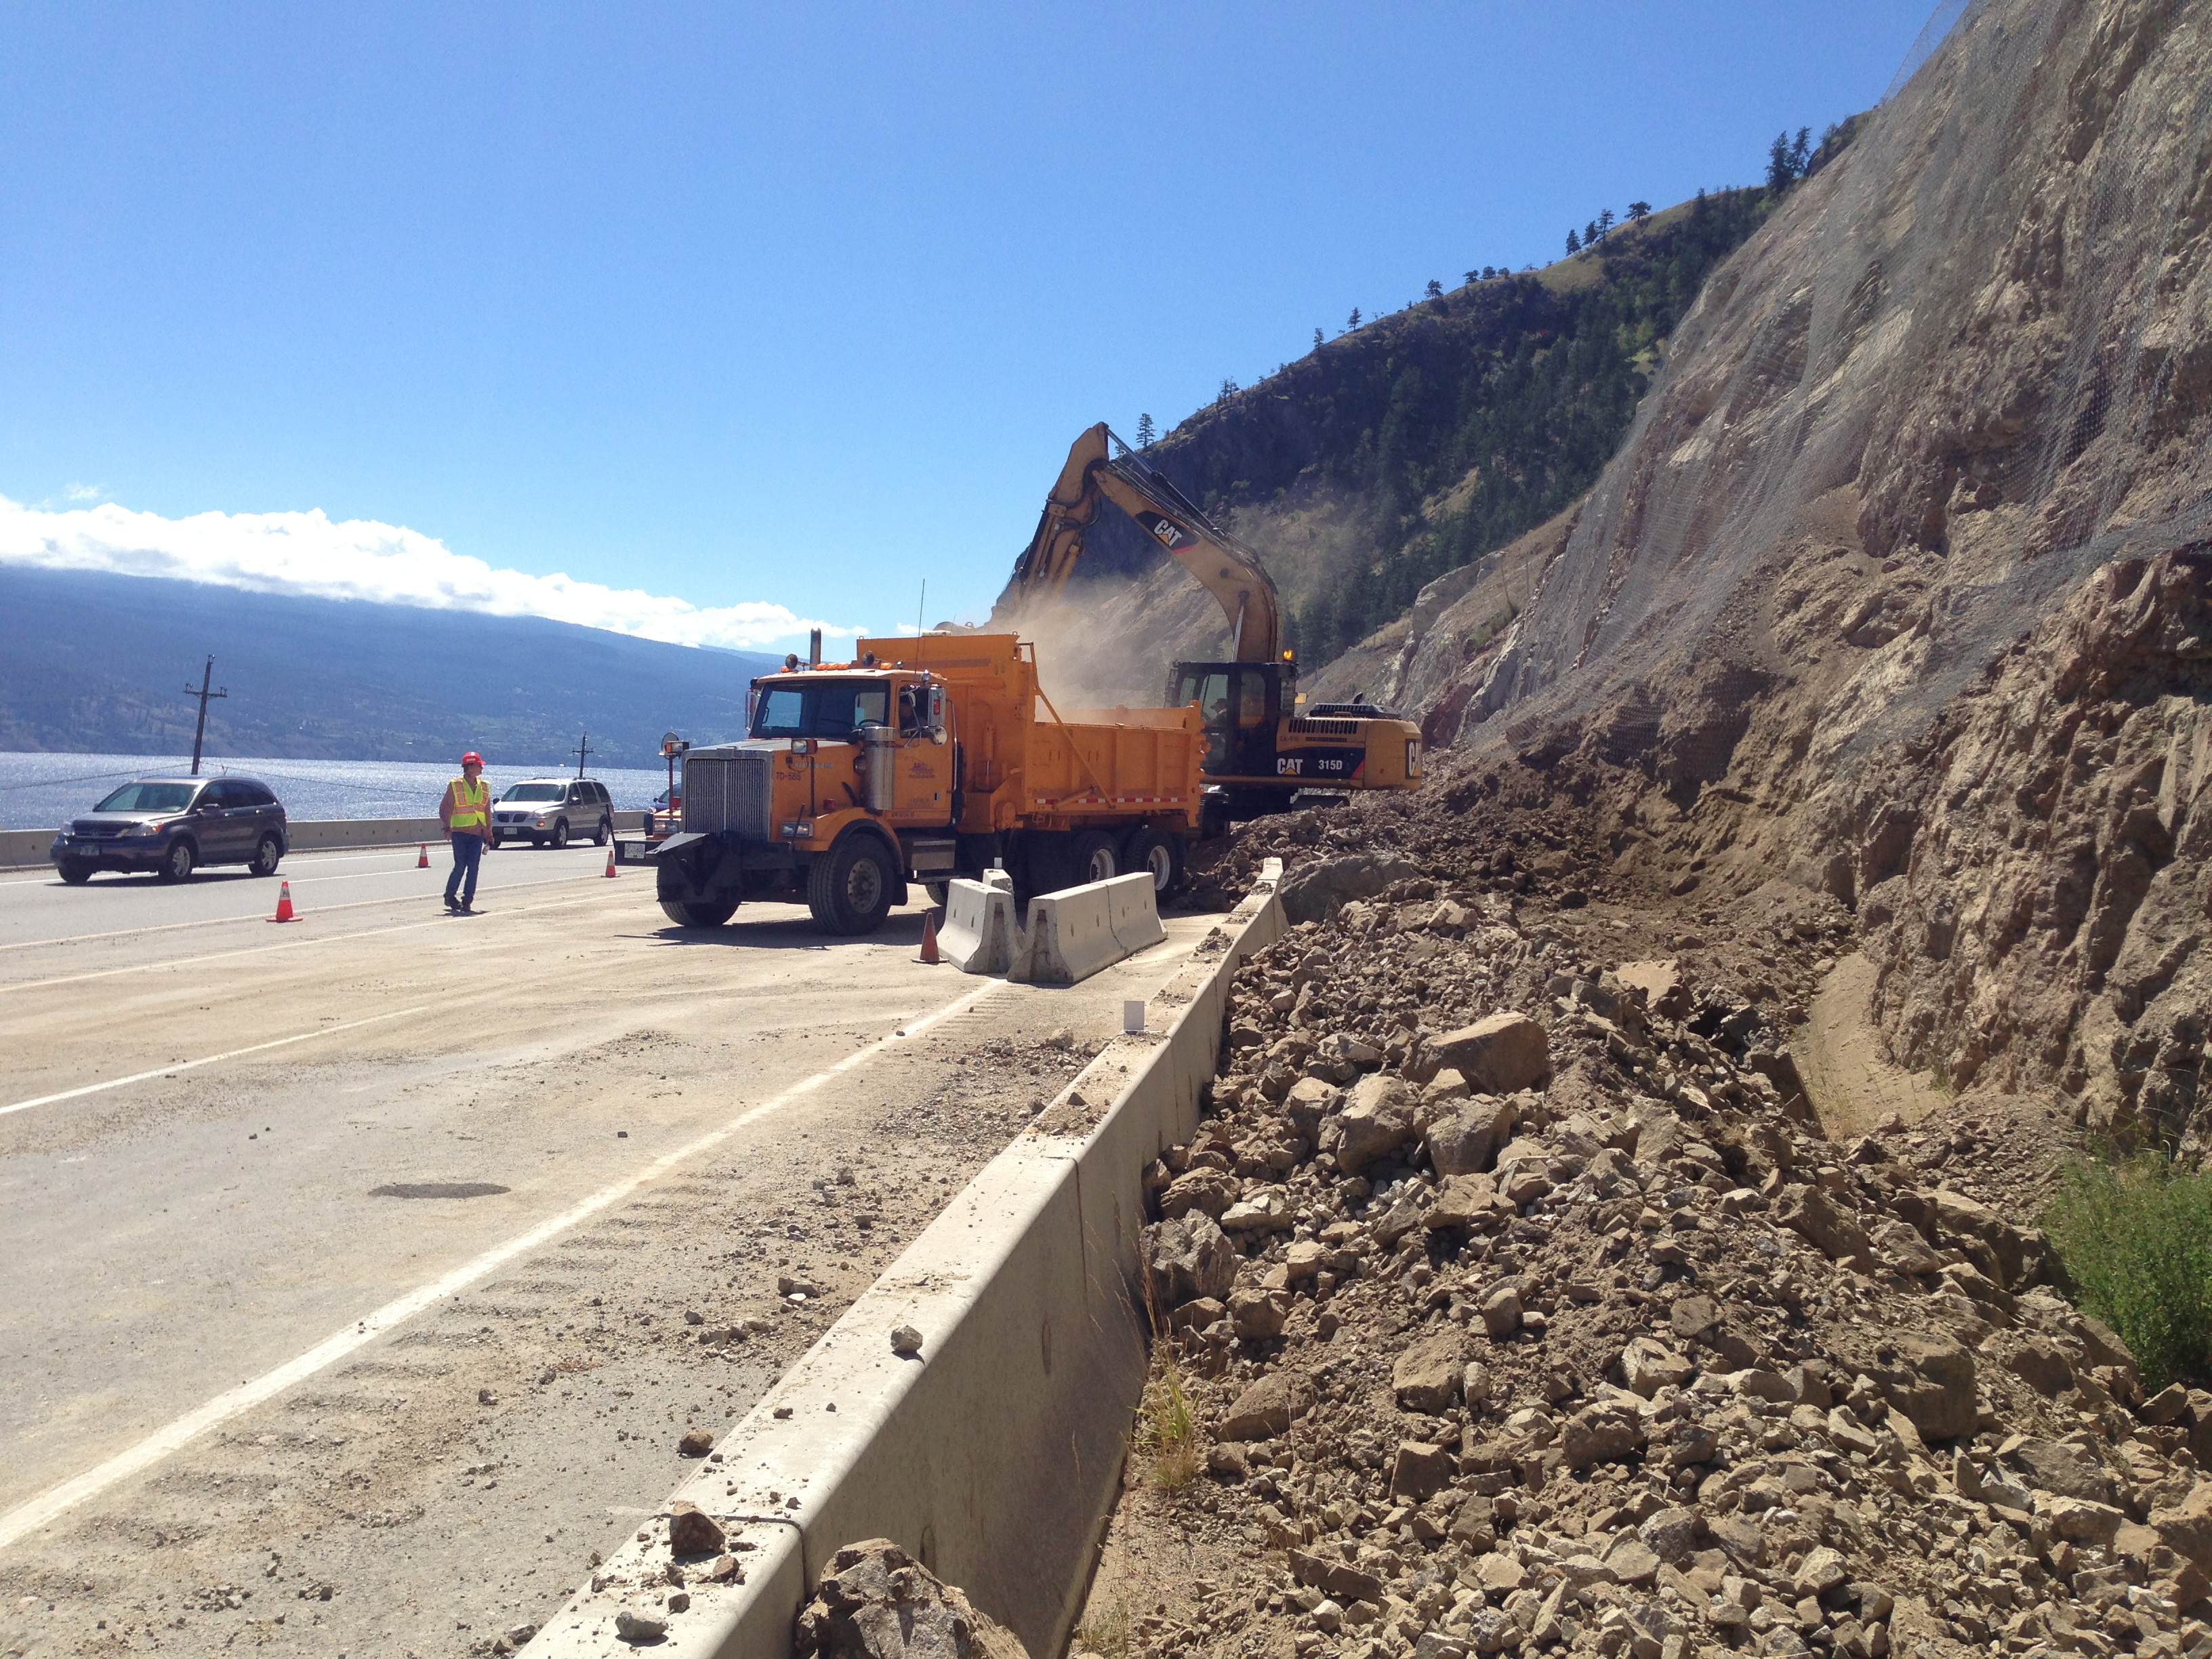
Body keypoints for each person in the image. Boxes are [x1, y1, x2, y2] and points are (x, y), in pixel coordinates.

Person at [438, 751, 495, 913]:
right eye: (479, 766)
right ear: (470, 768)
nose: (482, 769)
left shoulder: (484, 786)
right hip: (460, 833)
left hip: (477, 834)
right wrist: (447, 827)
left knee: (473, 867)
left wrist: (489, 832)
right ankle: (449, 896)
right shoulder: (455, 785)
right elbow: (446, 808)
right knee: (460, 866)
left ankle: (467, 900)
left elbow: (486, 811)